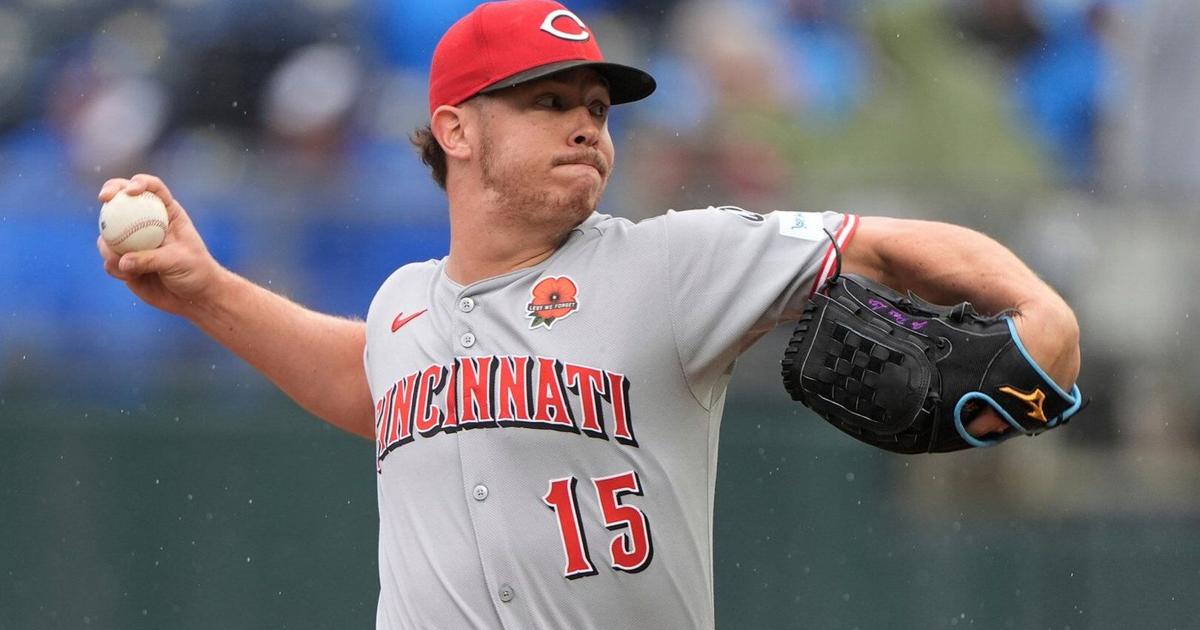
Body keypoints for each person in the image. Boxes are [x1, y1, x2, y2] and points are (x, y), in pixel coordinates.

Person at [96, 1, 1081, 628]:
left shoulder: (673, 261)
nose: (584, 124)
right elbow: (371, 384)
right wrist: (206, 290)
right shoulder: (403, 304)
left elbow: (885, 242)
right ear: (455, 129)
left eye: (597, 107)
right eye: (547, 101)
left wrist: (1040, 314)